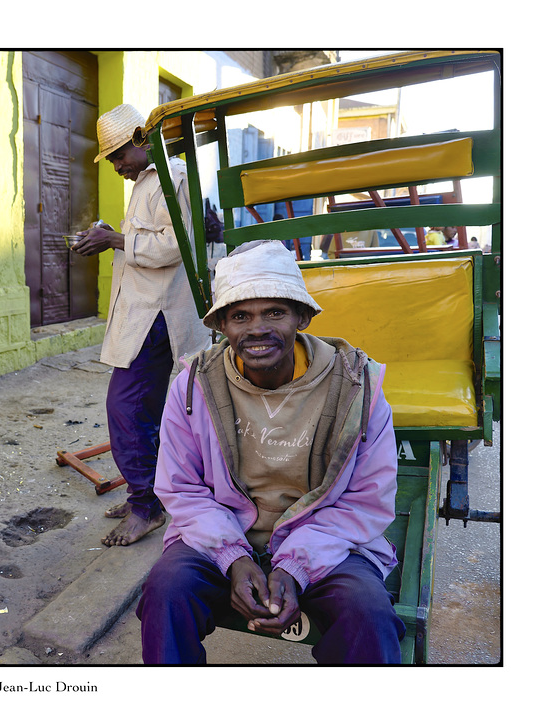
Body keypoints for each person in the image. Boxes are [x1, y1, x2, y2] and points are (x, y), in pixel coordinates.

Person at [137, 240, 405, 664]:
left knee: (369, 616)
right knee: (165, 592)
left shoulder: (358, 388)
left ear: (302, 317)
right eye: (240, 316)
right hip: (221, 534)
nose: (257, 329)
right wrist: (233, 557)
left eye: (274, 313)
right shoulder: (192, 386)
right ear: (222, 325)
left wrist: (295, 566)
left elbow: (365, 502)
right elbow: (182, 488)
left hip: (325, 542)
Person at [71, 104, 206, 547]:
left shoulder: (175, 176)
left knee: (126, 408)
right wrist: (115, 234)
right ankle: (145, 498)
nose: (116, 166)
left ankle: (145, 506)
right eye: (110, 158)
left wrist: (114, 239)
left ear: (141, 139)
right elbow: (147, 239)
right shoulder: (148, 180)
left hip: (159, 316)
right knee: (142, 411)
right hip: (146, 313)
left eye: (118, 155)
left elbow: (174, 244)